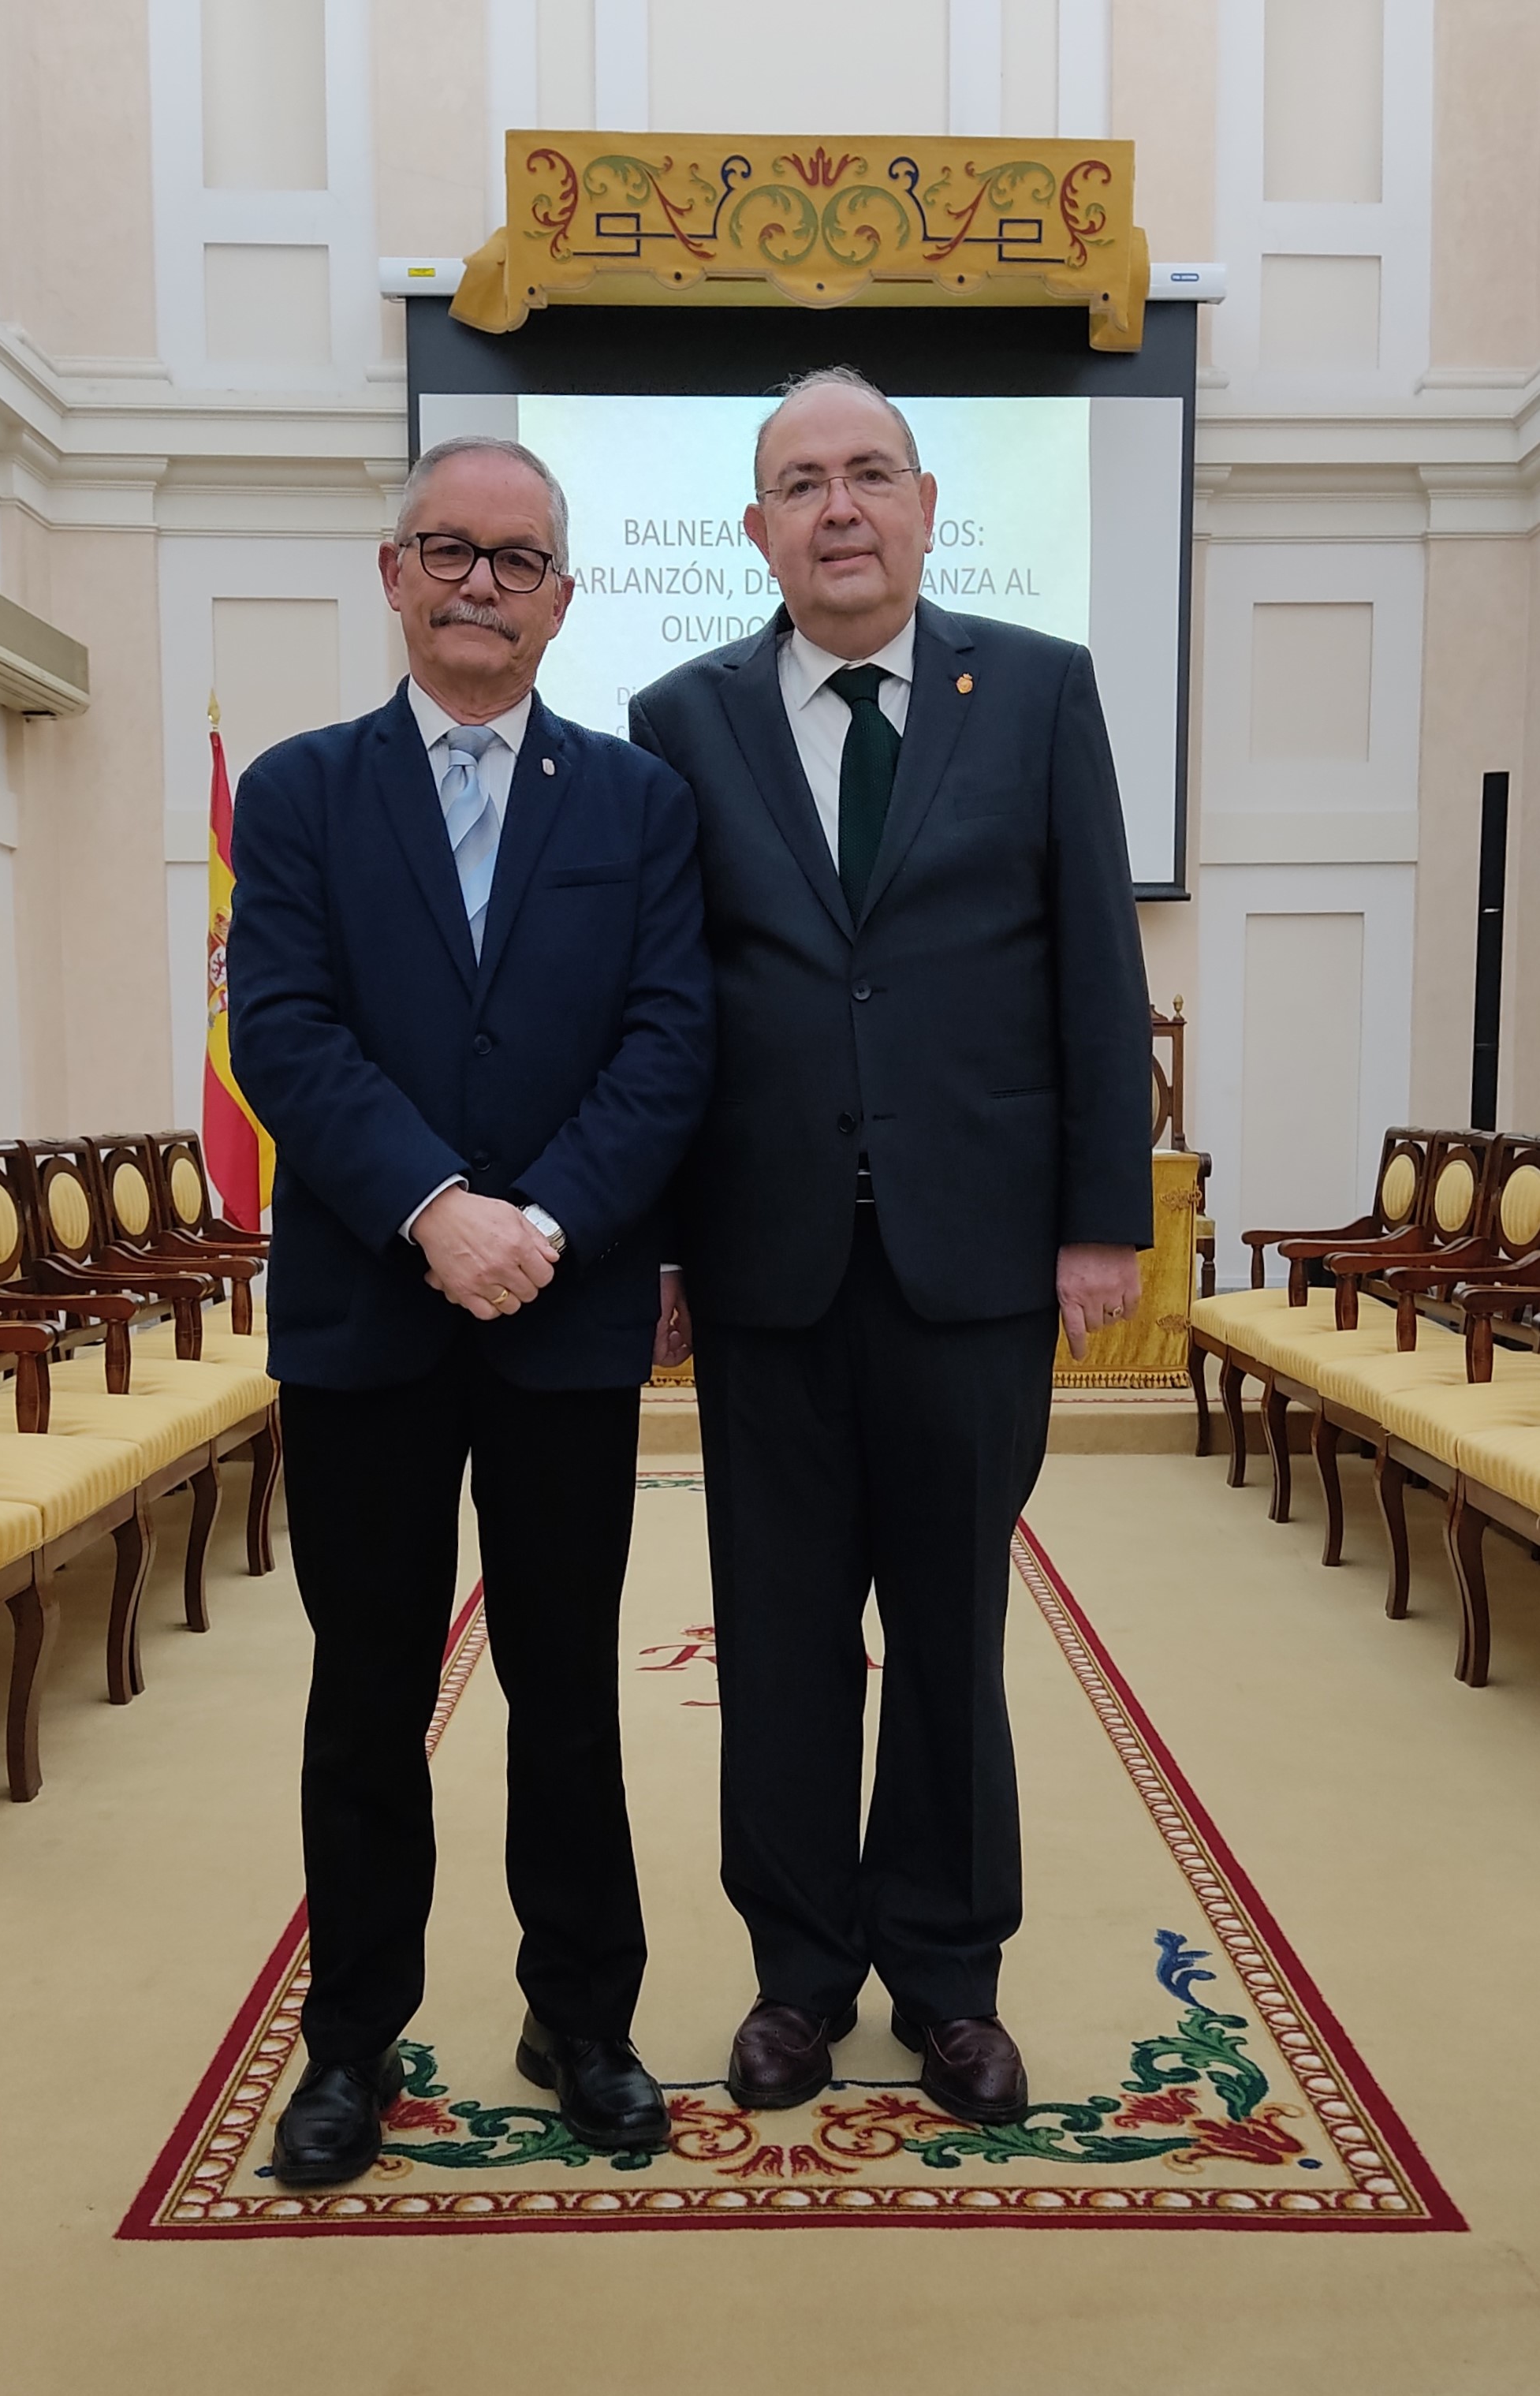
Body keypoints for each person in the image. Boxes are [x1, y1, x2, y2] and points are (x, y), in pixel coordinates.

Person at [632, 368, 1151, 2126]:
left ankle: (947, 1977)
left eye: (868, 475)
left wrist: (1099, 1221)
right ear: (755, 528)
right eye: (800, 481)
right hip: (764, 1259)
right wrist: (657, 1250)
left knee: (948, 1629)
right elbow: (662, 1008)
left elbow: (1094, 967)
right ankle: (794, 1974)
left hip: (973, 1261)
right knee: (776, 1634)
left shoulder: (1038, 691)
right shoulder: (676, 716)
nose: (837, 507)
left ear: (924, 505)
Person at [229, 434, 714, 2185]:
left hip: (562, 1320)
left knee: (564, 1686)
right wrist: (437, 1210)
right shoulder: (294, 792)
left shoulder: (639, 802)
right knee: (364, 1693)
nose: (479, 585)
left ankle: (580, 2016)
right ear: (392, 573)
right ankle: (351, 2040)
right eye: (449, 550)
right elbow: (278, 1028)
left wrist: (547, 1223)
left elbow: (670, 1042)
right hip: (367, 1310)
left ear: (563, 598)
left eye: (516, 561)